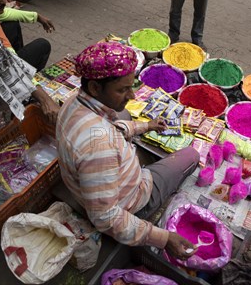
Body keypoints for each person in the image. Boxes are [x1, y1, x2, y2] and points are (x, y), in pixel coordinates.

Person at [56, 42, 200, 260]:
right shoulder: (99, 147)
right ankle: (148, 200)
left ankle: (138, 143)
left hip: (92, 180)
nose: (132, 96)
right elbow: (105, 217)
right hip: (131, 198)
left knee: (125, 116)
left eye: (131, 87)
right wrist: (164, 238)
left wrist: (146, 126)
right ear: (95, 87)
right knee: (192, 155)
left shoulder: (74, 102)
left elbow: (112, 128)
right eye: (123, 89)